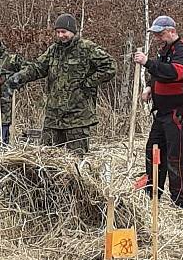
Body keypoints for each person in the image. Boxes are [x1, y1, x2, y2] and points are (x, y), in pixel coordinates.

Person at [7, 13, 116, 154]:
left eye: (63, 32)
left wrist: (88, 83)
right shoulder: (54, 50)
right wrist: (19, 77)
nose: (60, 35)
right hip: (53, 117)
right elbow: (38, 68)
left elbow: (110, 66)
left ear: (73, 32)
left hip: (77, 118)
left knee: (75, 160)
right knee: (47, 158)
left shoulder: (87, 48)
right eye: (57, 32)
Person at [133, 15, 183, 209]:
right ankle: (152, 195)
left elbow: (174, 73)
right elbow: (162, 75)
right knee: (153, 151)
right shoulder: (165, 50)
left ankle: (179, 202)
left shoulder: (182, 51)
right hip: (162, 112)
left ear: (171, 31)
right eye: (155, 34)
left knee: (175, 156)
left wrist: (147, 63)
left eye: (160, 34)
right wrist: (150, 88)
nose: (157, 38)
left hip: (180, 112)